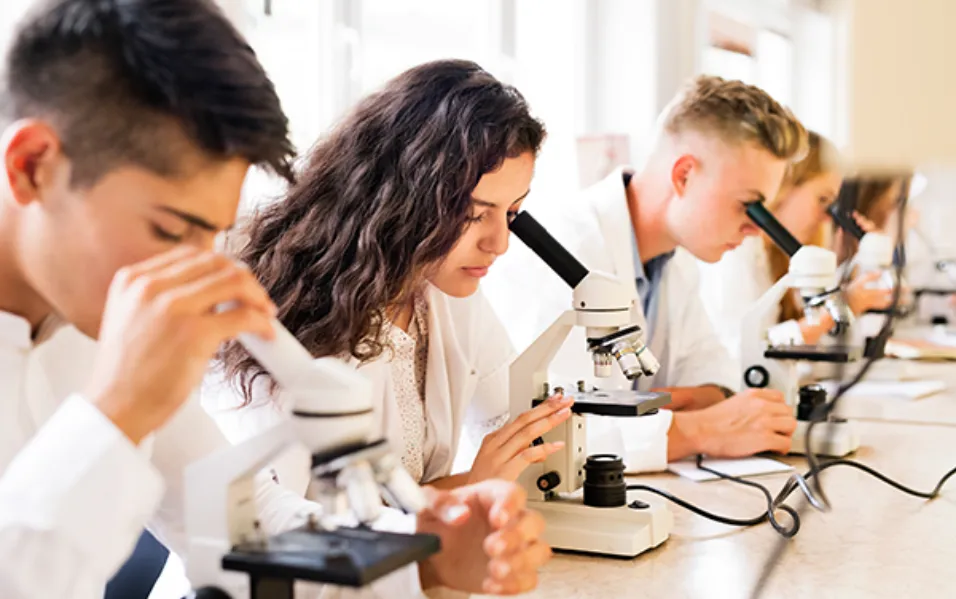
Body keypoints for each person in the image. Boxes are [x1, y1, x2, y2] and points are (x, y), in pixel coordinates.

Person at [0, 2, 548, 598]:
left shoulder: (96, 316)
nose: (197, 270)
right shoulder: (121, 335)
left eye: (211, 234)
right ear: (32, 167)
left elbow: (242, 523)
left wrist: (425, 558)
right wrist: (118, 407)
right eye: (168, 230)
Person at [210, 59, 572, 505]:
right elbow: (273, 526)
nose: (499, 244)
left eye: (511, 213)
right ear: (403, 197)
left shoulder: (443, 291)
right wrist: (469, 489)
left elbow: (508, 420)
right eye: (474, 215)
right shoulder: (291, 314)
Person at [484, 75, 806, 472]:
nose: (756, 229)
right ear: (684, 175)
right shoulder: (562, 249)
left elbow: (714, 381)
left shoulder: (676, 257)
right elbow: (549, 431)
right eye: (748, 206)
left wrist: (656, 415)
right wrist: (699, 431)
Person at [697, 131, 895, 363]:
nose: (826, 218)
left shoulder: (779, 256)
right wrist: (839, 309)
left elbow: (816, 342)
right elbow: (741, 354)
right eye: (822, 200)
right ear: (784, 188)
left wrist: (855, 260)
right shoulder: (736, 254)